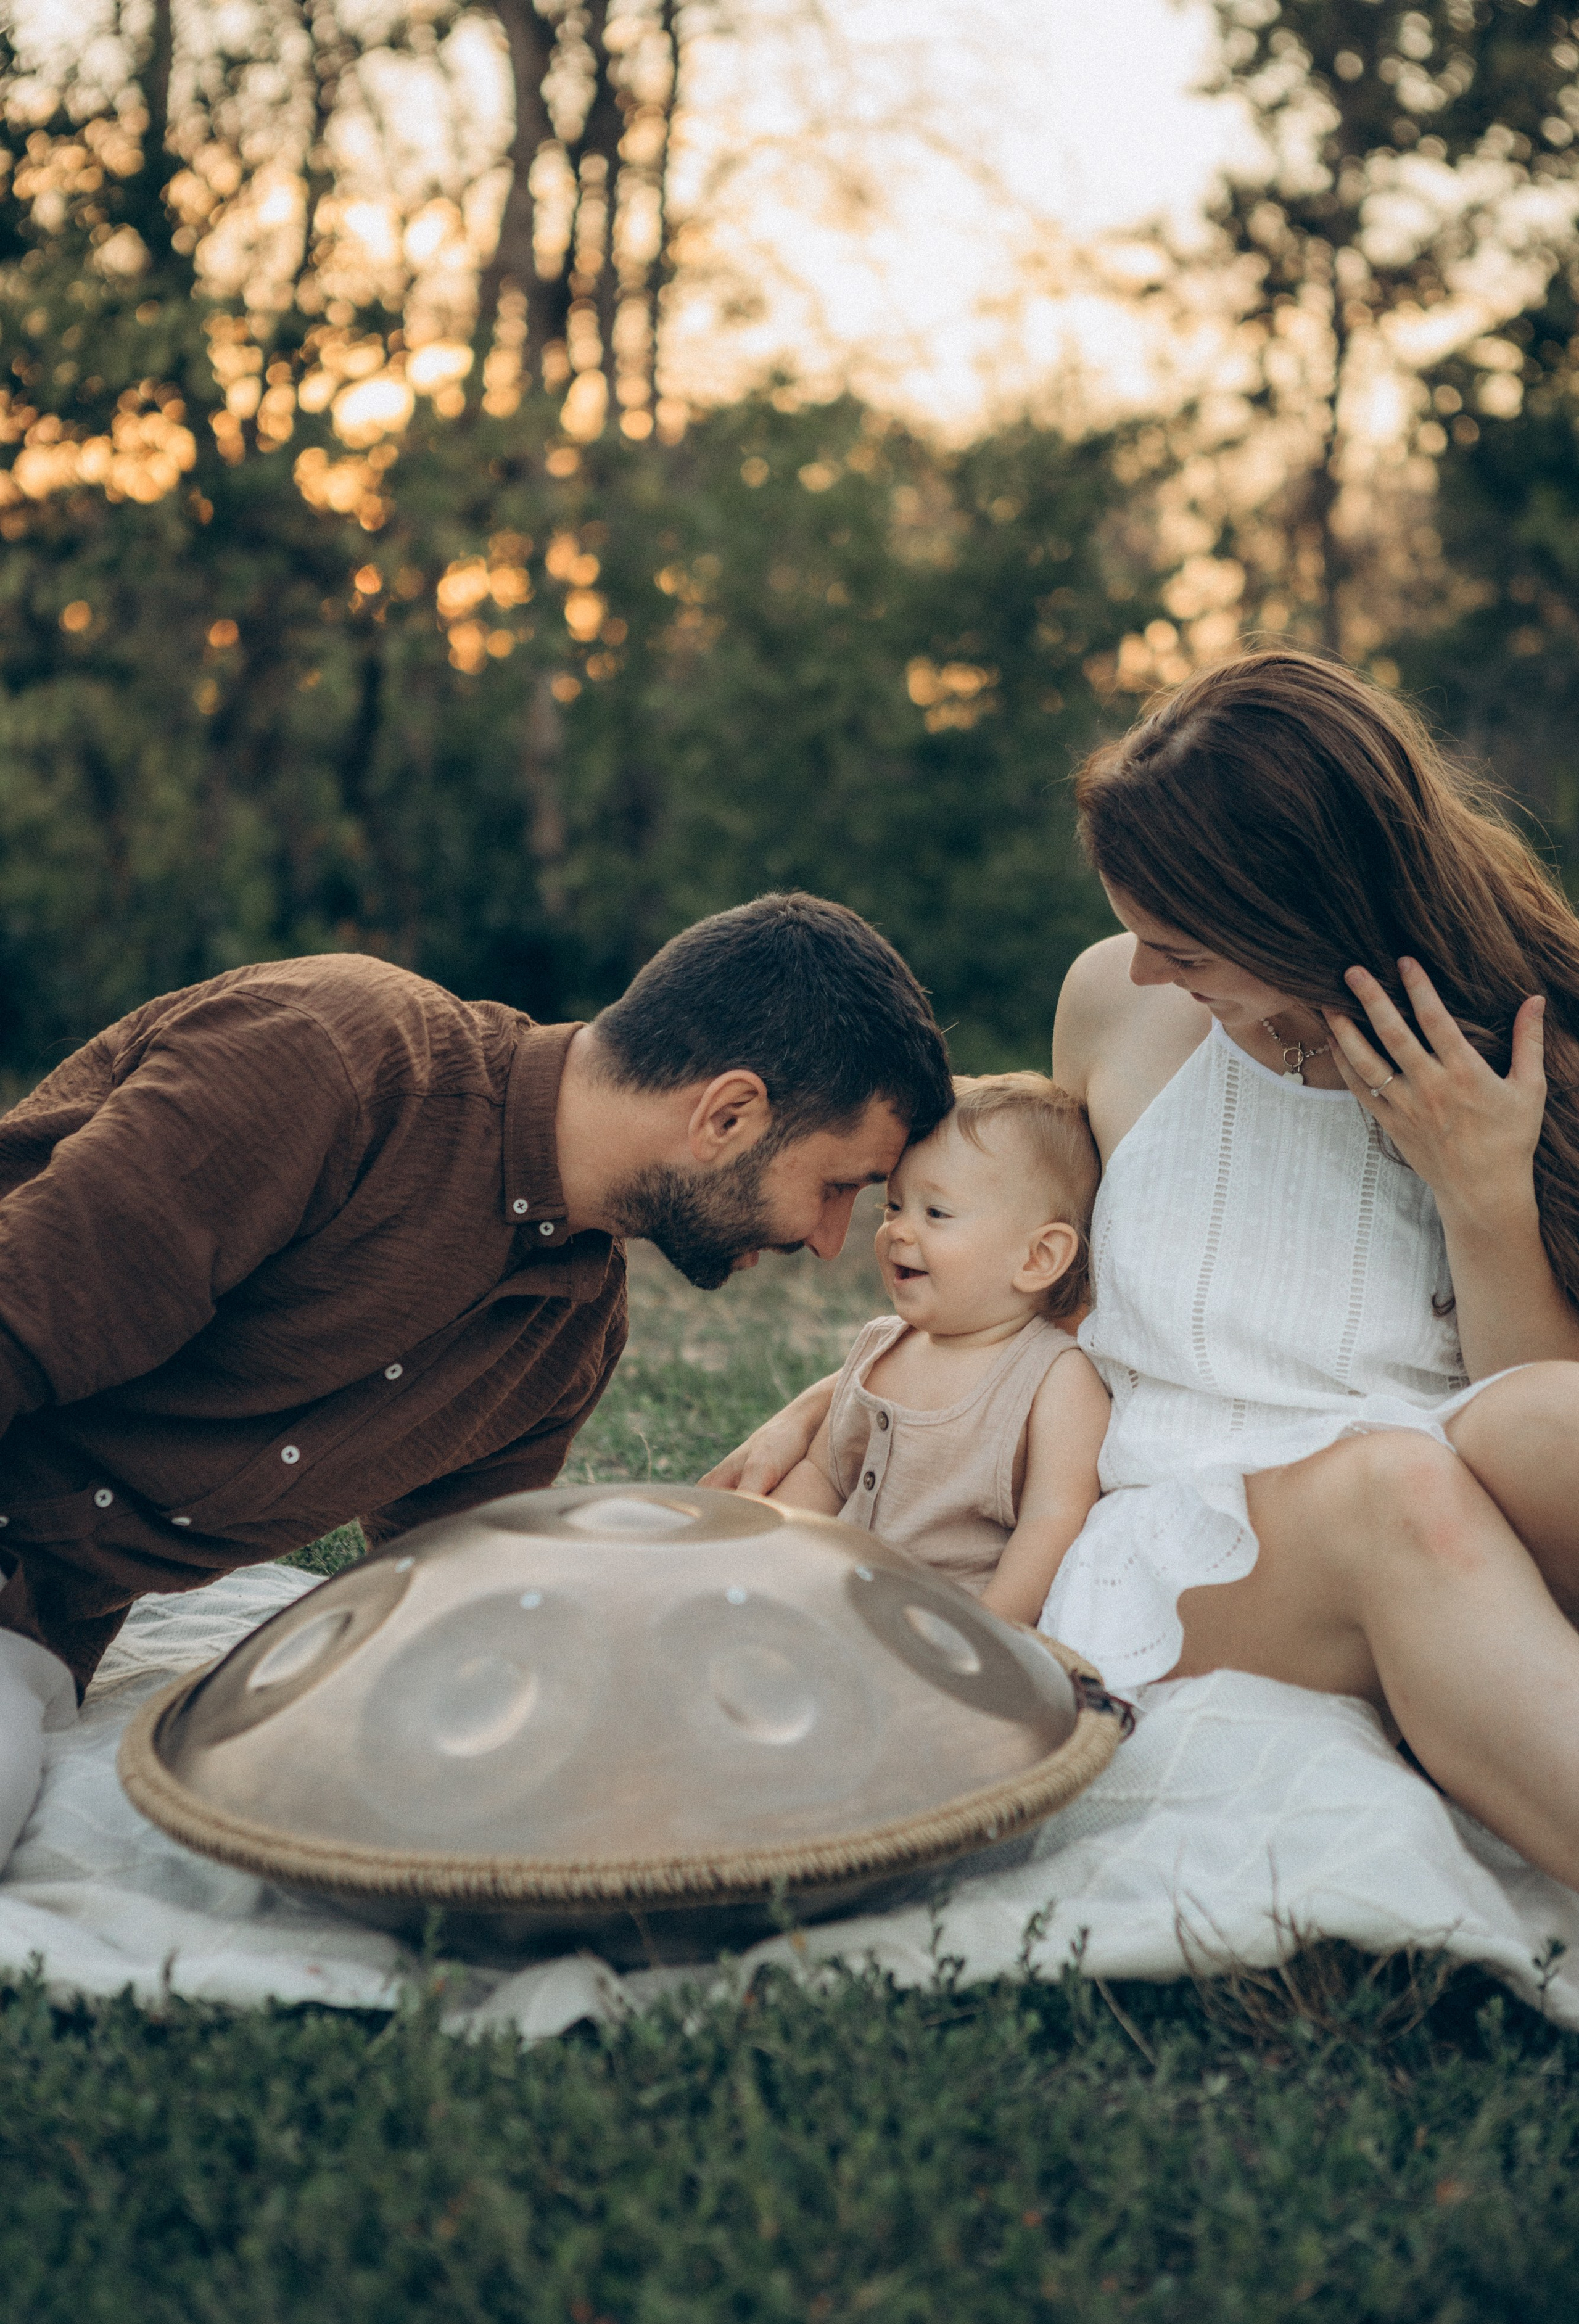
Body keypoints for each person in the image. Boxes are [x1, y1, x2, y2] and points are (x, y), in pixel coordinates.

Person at [705, 649, 1579, 1893]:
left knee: (1554, 1422)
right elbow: (1040, 1273)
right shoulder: (1113, 1005)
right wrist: (853, 1388)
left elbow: (1522, 1402)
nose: (1147, 969)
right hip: (1190, 1522)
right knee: (1398, 1490)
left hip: (1440, 1449)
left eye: (1182, 945)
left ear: (1305, 915)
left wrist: (1480, 1193)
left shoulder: (1521, 1030)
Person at [0, 891, 952, 1866]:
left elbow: (438, 1613)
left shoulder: (570, 1336)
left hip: (35, 1620)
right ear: (730, 1114)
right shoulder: (339, 1060)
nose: (829, 1241)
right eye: (838, 1187)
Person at [769, 1074, 1111, 1623]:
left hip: (949, 1629)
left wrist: (991, 1631)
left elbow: (1052, 1524)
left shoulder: (1056, 1377)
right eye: (894, 1206)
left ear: (1038, 1258)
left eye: (936, 1214)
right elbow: (823, 1476)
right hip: (835, 1603)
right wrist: (763, 1557)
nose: (899, 1231)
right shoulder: (880, 1348)